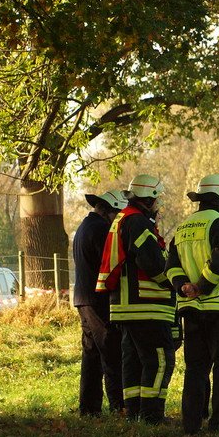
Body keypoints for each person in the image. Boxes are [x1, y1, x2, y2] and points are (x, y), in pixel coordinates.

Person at [166, 174, 219, 435]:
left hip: (191, 309)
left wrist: (184, 287)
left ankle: (191, 424)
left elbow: (171, 268)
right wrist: (202, 285)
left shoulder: (183, 227)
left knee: (196, 368)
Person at [97, 174, 177, 423]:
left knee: (132, 361)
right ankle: (152, 415)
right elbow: (151, 262)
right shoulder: (138, 222)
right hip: (146, 305)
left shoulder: (123, 219)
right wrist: (175, 282)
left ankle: (133, 412)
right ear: (149, 198)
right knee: (160, 359)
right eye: (157, 198)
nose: (159, 203)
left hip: (125, 307)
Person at [72, 188, 127, 416]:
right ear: (108, 211)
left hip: (83, 299)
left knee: (92, 354)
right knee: (111, 351)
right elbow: (112, 263)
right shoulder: (102, 230)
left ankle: (89, 407)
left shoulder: (84, 227)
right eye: (118, 214)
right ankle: (118, 406)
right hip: (98, 300)